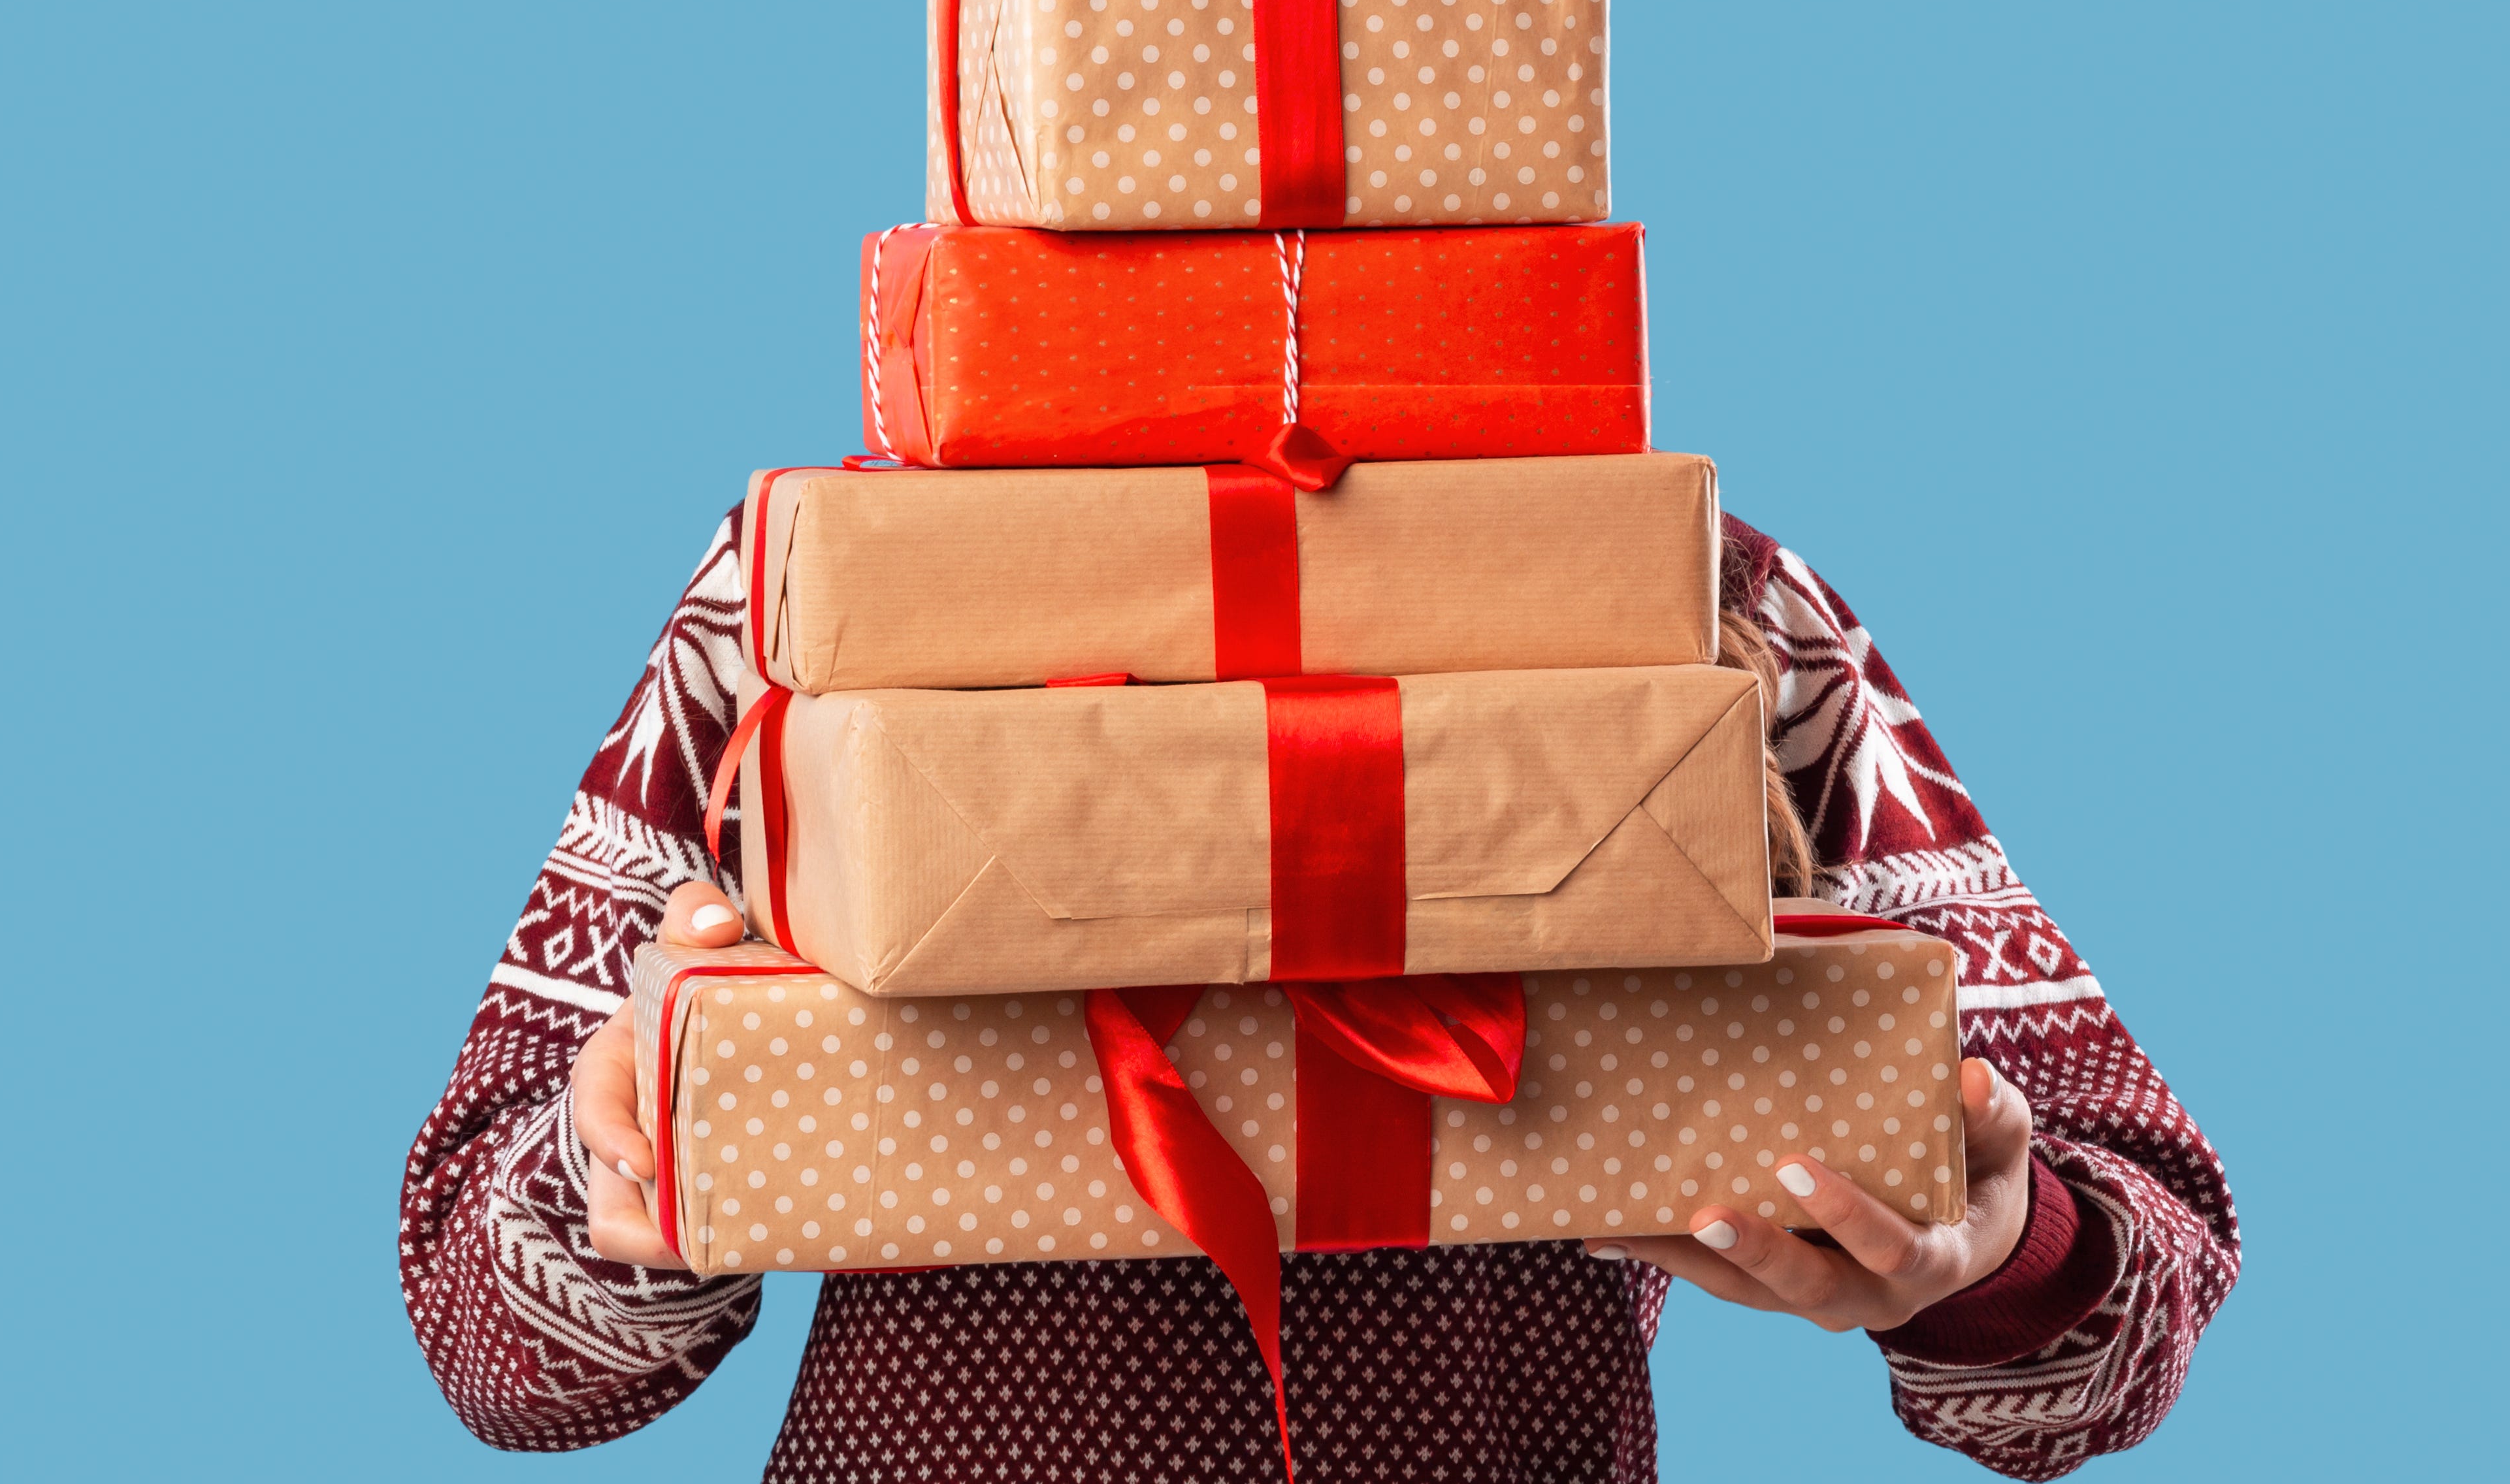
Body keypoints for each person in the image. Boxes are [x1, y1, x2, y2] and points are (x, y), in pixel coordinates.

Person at [399, 508, 2239, 1479]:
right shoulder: (820, 607)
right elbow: (499, 1354)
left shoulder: (1700, 604)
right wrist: (632, 1165)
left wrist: (1986, 1260)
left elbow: (2125, 1307)